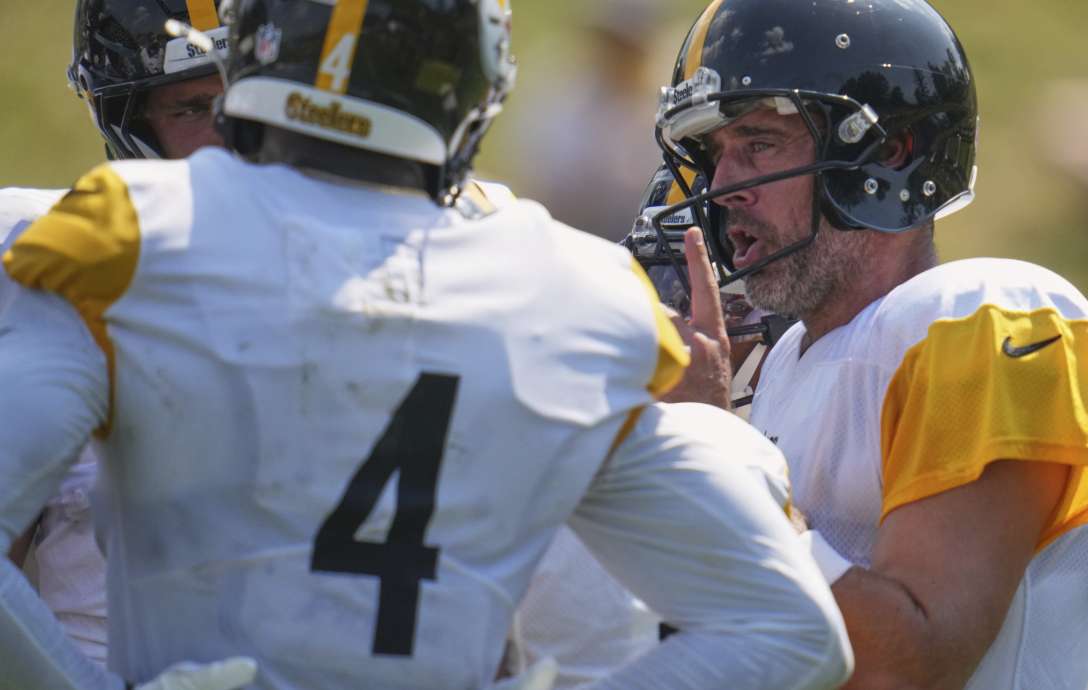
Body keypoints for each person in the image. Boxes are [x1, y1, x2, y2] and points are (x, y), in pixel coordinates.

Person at [0, 2, 853, 690]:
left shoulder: (128, 236)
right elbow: (790, 632)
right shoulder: (572, 288)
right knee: (724, 449)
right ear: (475, 90)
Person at [652, 1, 1088, 688]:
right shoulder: (785, 365)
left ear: (888, 152)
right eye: (714, 154)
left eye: (759, 143)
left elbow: (910, 663)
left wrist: (709, 454)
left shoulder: (989, 316)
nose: (723, 187)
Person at [2, 0, 229, 667]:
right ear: (128, 117)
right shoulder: (44, 262)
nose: (234, 140)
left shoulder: (417, 267)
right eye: (193, 108)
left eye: (255, 100)